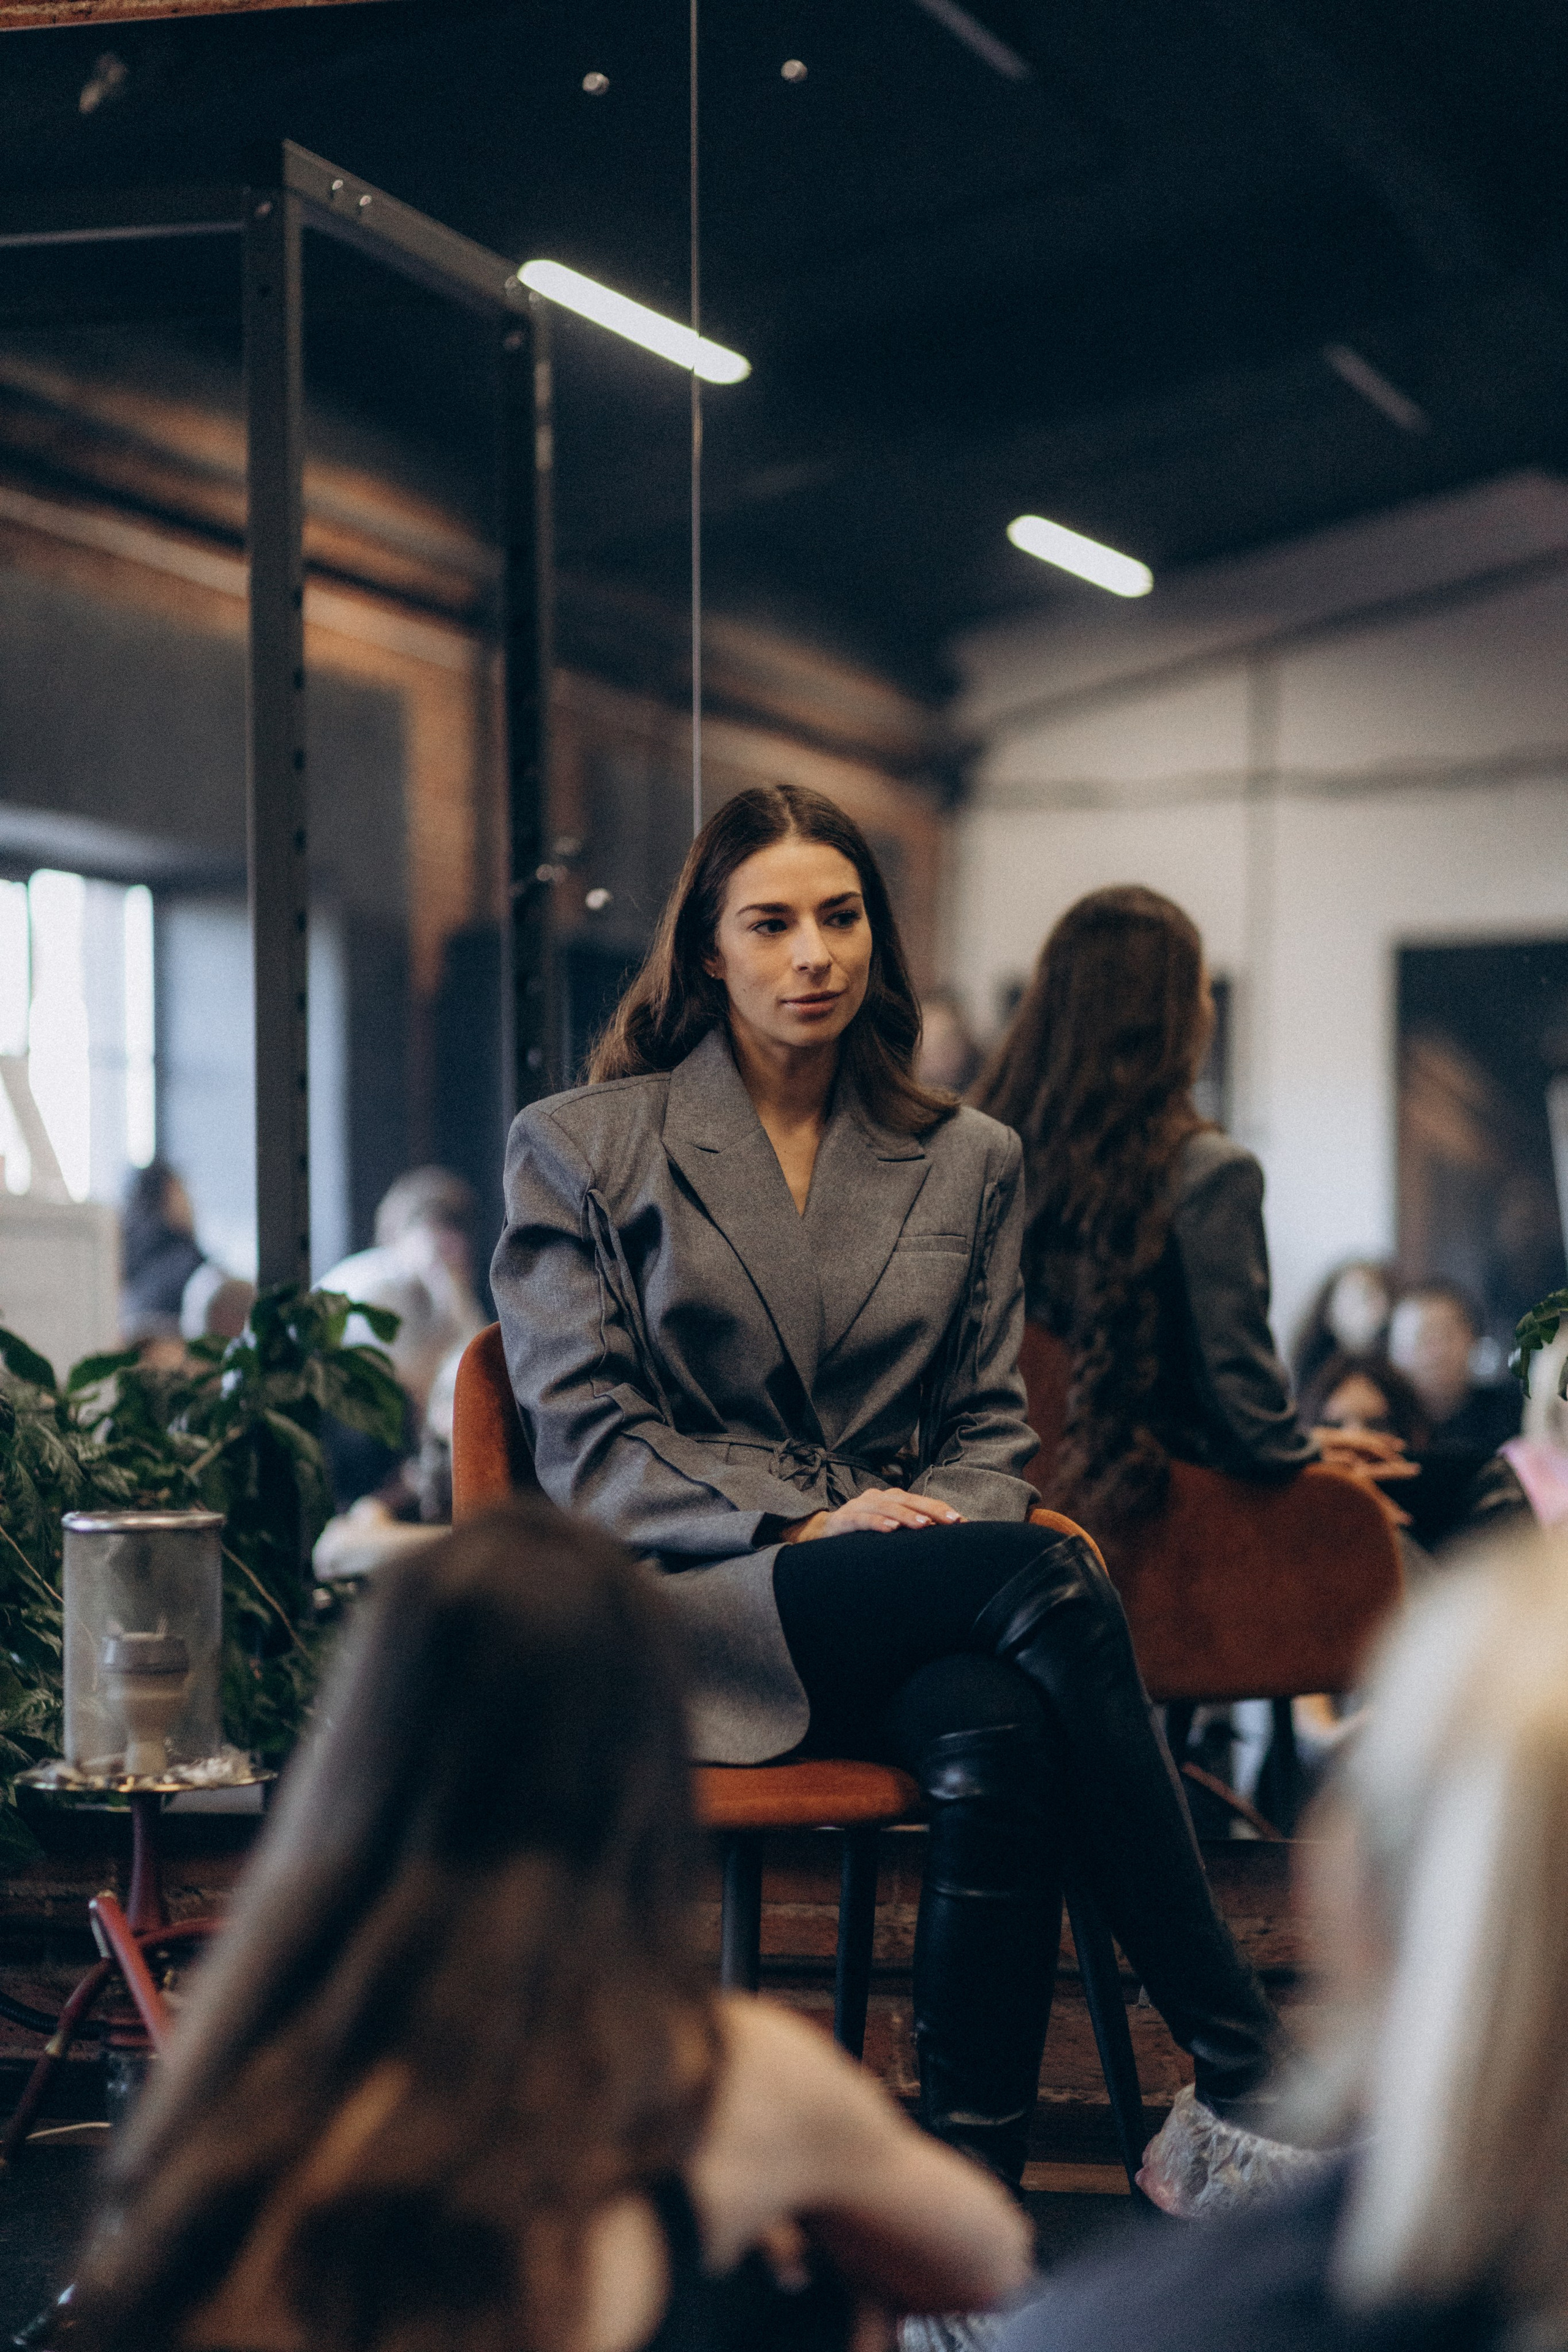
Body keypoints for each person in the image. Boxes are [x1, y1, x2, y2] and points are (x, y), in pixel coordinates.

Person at [494, 786, 1308, 2207]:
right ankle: (1242, 2063)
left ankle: (963, 2221)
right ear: (705, 952)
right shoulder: (582, 1145)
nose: (813, 952)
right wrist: (814, 1523)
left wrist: (917, 1526)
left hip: (904, 1593)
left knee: (1004, 1729)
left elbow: (989, 1428)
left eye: (840, 915)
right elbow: (593, 1453)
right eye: (770, 923)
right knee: (1046, 1573)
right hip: (686, 1604)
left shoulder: (969, 1157)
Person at [67, 1496, 1030, 2352]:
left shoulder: (228, 2090)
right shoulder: (726, 2075)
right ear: (643, 1781)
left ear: (357, 1760)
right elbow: (989, 2262)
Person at [1000, 1522, 1568, 2352]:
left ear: (1346, 1893)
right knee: (993, 1693)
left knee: (1005, 1674)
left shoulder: (1110, 2334)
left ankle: (1233, 2066)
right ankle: (1237, 2061)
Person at [971, 887, 1412, 1539]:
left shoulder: (980, 1161)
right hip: (1158, 1530)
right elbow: (1245, 1418)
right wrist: (1307, 1456)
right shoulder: (1210, 1173)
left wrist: (1306, 1444)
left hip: (1002, 1526)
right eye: (1201, 989)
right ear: (1175, 1017)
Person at [318, 1168, 486, 1509]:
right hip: (344, 1440)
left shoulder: (437, 1285)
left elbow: (479, 1362)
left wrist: (454, 1293)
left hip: (383, 1438)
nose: (453, 1244)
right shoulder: (376, 1283)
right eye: (439, 1228)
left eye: (457, 1230)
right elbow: (427, 1386)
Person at [119, 1159, 252, 1352]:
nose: (192, 1204)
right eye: (184, 1192)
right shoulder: (188, 1262)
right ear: (170, 1194)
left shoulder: (127, 1262)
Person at [1387, 1281, 1521, 1455]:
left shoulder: (1510, 1414)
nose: (1436, 1352)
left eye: (1446, 1336)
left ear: (1474, 1340)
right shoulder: (1379, 1418)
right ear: (1393, 1350)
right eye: (1421, 1338)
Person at [1288, 1261, 1395, 1395]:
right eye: (1365, 1296)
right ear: (1328, 1312)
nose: (1381, 1307)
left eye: (1383, 1295)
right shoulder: (1314, 1376)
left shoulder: (1395, 1375)